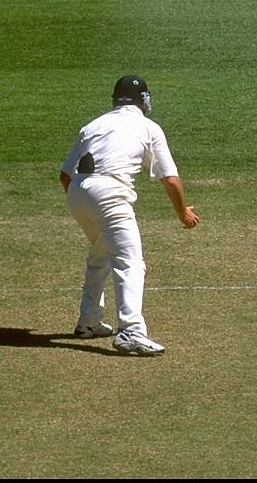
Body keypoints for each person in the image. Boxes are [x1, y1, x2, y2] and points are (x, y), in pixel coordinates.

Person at [60, 75, 199, 355]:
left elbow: (65, 175)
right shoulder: (148, 127)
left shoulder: (94, 125)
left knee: (100, 255)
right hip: (110, 193)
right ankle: (131, 332)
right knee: (130, 263)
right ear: (144, 100)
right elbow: (170, 179)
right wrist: (183, 213)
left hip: (77, 191)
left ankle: (88, 321)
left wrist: (87, 201)